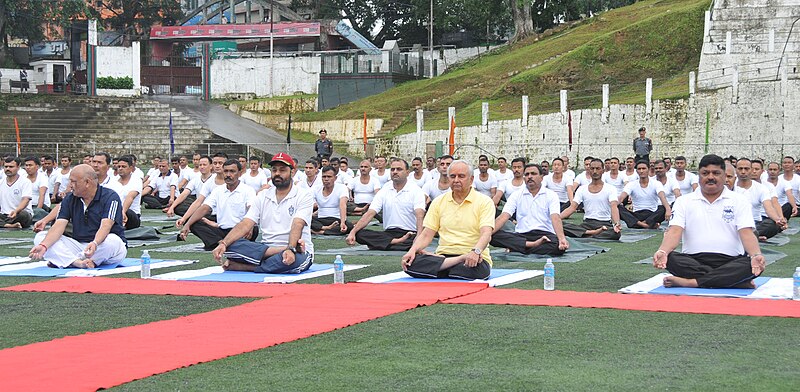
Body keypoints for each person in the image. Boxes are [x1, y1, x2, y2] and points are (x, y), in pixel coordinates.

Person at [653, 154, 766, 289]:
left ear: (724, 176)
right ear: (699, 176)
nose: (710, 177)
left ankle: (692, 282)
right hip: (693, 261)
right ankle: (731, 281)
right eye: (705, 173)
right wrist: (663, 251)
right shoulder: (683, 201)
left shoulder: (739, 200)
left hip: (730, 260)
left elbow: (746, 233)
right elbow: (674, 231)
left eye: (716, 173)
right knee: (671, 259)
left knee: (751, 264)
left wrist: (755, 255)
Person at [211, 153, 314, 274]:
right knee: (230, 246)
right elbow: (246, 223)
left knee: (291, 262)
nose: (277, 174)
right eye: (274, 170)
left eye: (282, 170)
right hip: (266, 250)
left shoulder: (303, 195)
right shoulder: (263, 195)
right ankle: (278, 253)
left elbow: (297, 224)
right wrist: (223, 244)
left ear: (292, 172)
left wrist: (291, 248)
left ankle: (247, 267)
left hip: (297, 250)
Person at [401, 160, 495, 280]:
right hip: (444, 255)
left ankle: (443, 267)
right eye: (452, 176)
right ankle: (454, 262)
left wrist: (476, 252)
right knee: (411, 263)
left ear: (471, 180)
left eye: (461, 176)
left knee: (467, 268)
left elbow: (486, 233)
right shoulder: (438, 202)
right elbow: (426, 234)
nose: (456, 180)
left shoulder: (484, 202)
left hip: (474, 257)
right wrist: (412, 251)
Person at [29, 164, 127, 269]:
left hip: (102, 246)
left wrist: (95, 243)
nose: (70, 185)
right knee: (41, 238)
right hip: (79, 245)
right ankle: (78, 263)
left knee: (113, 241)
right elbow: (59, 225)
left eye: (73, 182)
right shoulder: (70, 198)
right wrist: (44, 246)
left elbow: (106, 226)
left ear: (87, 182)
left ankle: (69, 260)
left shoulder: (110, 197)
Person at [347, 159, 425, 251]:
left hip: (409, 233)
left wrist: (419, 236)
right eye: (392, 169)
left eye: (399, 169)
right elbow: (370, 213)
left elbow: (420, 215)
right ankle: (396, 242)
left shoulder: (416, 190)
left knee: (413, 240)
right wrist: (352, 232)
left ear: (407, 173)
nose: (395, 172)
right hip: (389, 233)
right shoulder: (385, 189)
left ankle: (383, 244)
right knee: (359, 234)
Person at [491, 163, 569, 255]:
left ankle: (519, 248)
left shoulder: (551, 195)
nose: (530, 177)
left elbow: (555, 217)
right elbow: (503, 217)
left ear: (541, 177)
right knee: (492, 236)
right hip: (521, 235)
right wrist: (486, 234)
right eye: (527, 174)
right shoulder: (516, 195)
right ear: (524, 178)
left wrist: (561, 238)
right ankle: (531, 245)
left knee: (557, 246)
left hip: (545, 235)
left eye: (533, 174)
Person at [181, 159, 257, 250]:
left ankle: (224, 243)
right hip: (222, 230)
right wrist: (187, 224)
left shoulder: (248, 190)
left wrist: (250, 227)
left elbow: (252, 209)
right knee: (193, 222)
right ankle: (221, 243)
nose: (228, 175)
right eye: (226, 171)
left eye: (232, 171)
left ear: (240, 173)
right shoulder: (218, 191)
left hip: (241, 230)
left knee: (254, 229)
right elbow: (205, 208)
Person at [561, 158, 622, 240]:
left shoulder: (610, 188)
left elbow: (614, 206)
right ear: (589, 170)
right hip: (587, 224)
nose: (595, 171)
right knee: (561, 225)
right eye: (592, 168)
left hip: (604, 224)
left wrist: (616, 223)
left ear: (603, 171)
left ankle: (586, 234)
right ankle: (591, 233)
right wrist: (557, 218)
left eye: (598, 168)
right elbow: (572, 207)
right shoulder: (582, 189)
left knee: (615, 234)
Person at [733, 158, 786, 241]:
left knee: (772, 225)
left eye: (746, 169)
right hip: (734, 222)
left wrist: (778, 219)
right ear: (736, 170)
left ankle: (748, 236)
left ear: (751, 170)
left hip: (755, 224)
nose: (743, 172)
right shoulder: (729, 186)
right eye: (740, 169)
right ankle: (752, 237)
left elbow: (769, 208)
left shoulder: (761, 188)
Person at [617, 160, 672, 229]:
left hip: (652, 214)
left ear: (648, 169)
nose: (641, 171)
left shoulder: (656, 183)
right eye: (639, 169)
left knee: (664, 207)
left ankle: (639, 224)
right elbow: (621, 197)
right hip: (636, 215)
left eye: (644, 168)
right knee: (617, 206)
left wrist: (668, 209)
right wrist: (613, 205)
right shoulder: (631, 184)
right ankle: (645, 225)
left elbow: (662, 197)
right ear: (636, 171)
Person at [311, 165, 352, 235]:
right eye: (324, 177)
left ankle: (318, 231)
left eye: (329, 177)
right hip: (320, 220)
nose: (326, 179)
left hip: (336, 220)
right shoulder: (315, 189)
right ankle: (325, 228)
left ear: (335, 178)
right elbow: (307, 204)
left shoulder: (342, 188)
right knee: (304, 221)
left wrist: (342, 223)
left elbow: (343, 205)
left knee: (349, 227)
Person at [0, 157, 33, 228]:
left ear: (18, 167)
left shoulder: (25, 182)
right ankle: (9, 225)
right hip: (4, 215)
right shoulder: (1, 182)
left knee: (24, 215)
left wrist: (16, 211)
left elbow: (26, 200)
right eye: (6, 167)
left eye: (11, 167)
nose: (8, 169)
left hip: (19, 214)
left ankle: (4, 224)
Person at [114, 156, 143, 230]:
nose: (120, 168)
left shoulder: (136, 180)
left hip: (131, 215)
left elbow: (130, 197)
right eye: (119, 166)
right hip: (115, 212)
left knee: (125, 212)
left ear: (130, 168)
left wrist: (123, 212)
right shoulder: (113, 180)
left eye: (123, 166)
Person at [23, 156, 51, 222]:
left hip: (40, 207)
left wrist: (38, 208)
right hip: (26, 206)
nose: (28, 167)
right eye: (26, 165)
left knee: (38, 212)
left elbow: (42, 195)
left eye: (30, 165)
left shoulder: (42, 177)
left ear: (37, 167)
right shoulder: (22, 178)